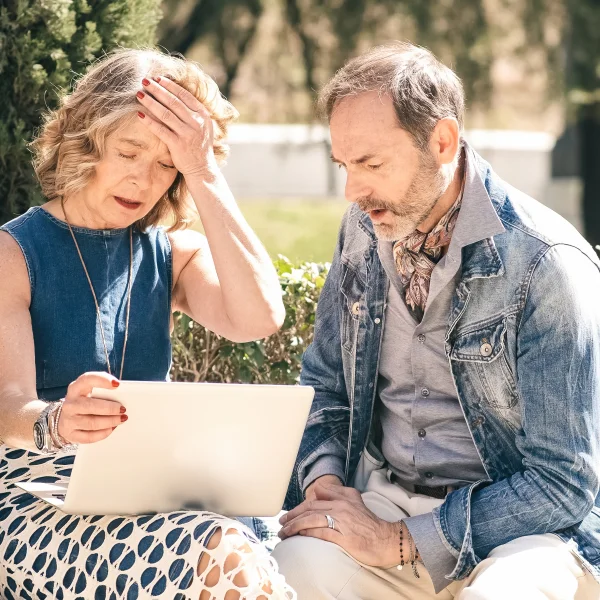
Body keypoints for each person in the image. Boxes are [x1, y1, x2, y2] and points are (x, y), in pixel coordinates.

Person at [272, 41, 600, 600]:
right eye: (345, 166)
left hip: (527, 536)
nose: (353, 191)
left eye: (371, 164)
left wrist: (404, 541)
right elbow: (325, 384)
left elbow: (562, 482)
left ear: (442, 141)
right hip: (386, 500)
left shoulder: (546, 263)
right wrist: (326, 488)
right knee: (282, 569)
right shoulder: (363, 228)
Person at [0, 48, 294, 599]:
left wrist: (204, 169)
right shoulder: (12, 253)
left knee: (254, 546)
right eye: (129, 151)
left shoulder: (173, 253)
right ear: (84, 141)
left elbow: (260, 317)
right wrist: (58, 420)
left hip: (154, 494)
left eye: (166, 164)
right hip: (33, 499)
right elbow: (6, 404)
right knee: (227, 555)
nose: (143, 179)